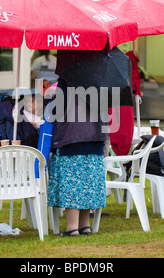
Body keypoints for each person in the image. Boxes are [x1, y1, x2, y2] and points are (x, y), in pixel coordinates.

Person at [47, 78, 107, 236]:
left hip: (71, 137)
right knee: (87, 182)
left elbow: (57, 109)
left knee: (72, 183)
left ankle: (72, 227)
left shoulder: (67, 77)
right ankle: (85, 226)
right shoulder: (100, 76)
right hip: (95, 136)